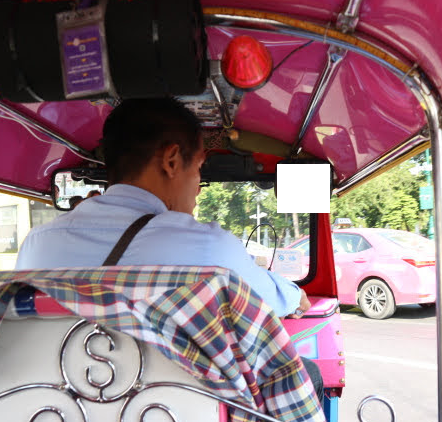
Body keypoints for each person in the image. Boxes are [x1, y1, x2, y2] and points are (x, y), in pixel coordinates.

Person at [16, 97, 323, 400]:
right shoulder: (207, 249)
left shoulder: (36, 245)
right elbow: (271, 303)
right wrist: (296, 297)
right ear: (172, 161)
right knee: (307, 373)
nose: (198, 189)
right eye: (199, 170)